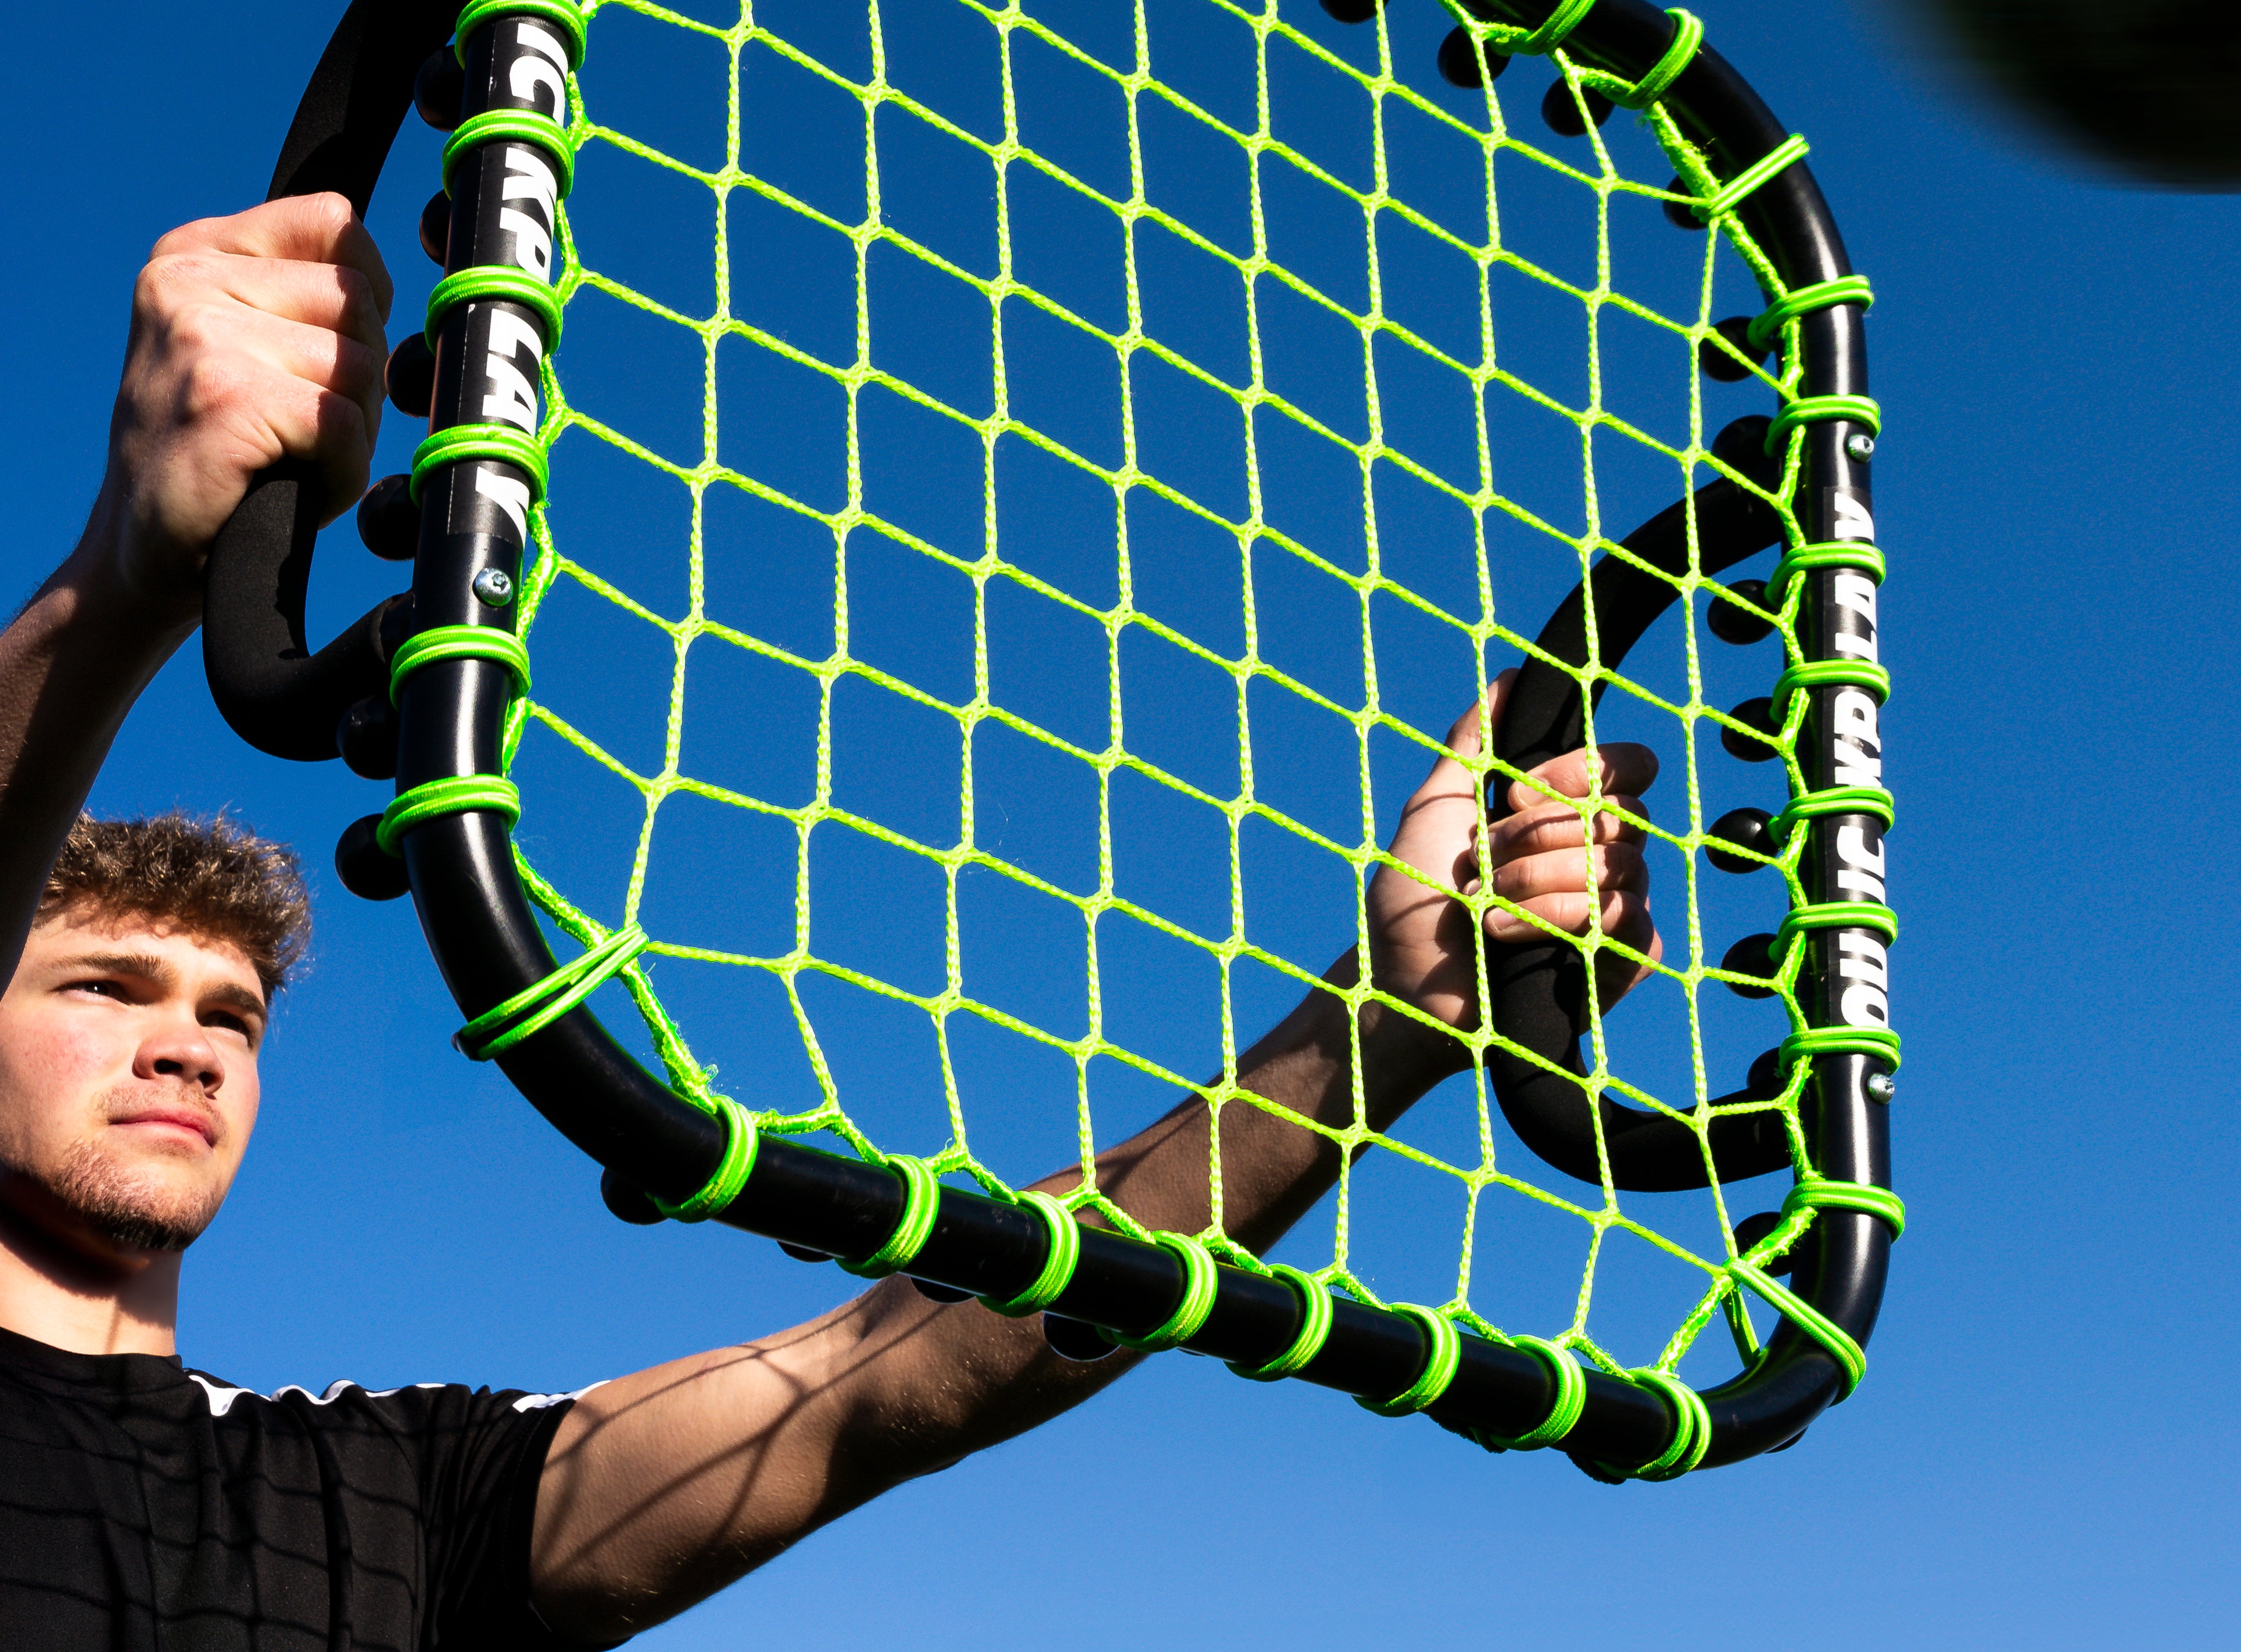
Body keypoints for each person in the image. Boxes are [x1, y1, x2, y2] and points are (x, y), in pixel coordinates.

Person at [0, 196, 1661, 1649]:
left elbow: (887, 1370)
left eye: (231, 1014)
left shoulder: (371, 1496)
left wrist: (1375, 1028)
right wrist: (119, 584)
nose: (188, 1047)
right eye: (103, 986)